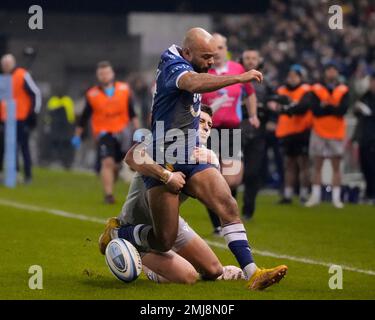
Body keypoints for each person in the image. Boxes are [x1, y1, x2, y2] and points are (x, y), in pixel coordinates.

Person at [100, 28, 287, 290]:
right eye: (207, 56)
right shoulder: (172, 65)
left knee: (227, 206)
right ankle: (120, 233)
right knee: (164, 241)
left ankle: (254, 273)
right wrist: (239, 78)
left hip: (187, 154)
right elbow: (192, 83)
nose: (212, 62)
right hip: (165, 158)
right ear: (188, 53)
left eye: (214, 55)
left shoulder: (203, 146)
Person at [103, 106, 244, 283]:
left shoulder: (205, 156)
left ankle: (170, 259)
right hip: (136, 223)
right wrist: (166, 175)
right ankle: (119, 236)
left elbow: (215, 197)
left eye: (210, 124)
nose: (207, 127)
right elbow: (131, 157)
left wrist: (214, 162)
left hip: (169, 223)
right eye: (201, 121)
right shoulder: (167, 140)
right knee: (188, 277)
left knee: (214, 271)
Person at [201, 34, 259, 233]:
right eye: (212, 48)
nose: (216, 52)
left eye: (219, 47)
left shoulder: (238, 69)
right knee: (211, 177)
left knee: (233, 178)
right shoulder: (203, 71)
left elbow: (250, 93)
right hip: (209, 131)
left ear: (225, 48)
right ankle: (219, 224)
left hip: (231, 130)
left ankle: (224, 210)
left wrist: (253, 115)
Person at [72, 61, 139, 204]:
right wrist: (77, 135)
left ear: (112, 74)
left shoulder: (124, 89)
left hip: (123, 132)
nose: (104, 76)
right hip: (104, 134)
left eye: (107, 73)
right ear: (98, 76)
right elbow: (84, 117)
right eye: (101, 74)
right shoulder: (92, 94)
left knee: (117, 165)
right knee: (107, 162)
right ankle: (109, 195)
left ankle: (115, 175)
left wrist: (138, 132)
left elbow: (132, 113)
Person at [305, 62, 349, 209]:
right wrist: (333, 107)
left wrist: (327, 106)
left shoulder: (343, 89)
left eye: (333, 70)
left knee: (336, 166)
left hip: (336, 131)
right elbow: (315, 110)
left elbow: (342, 110)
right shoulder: (316, 88)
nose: (331, 73)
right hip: (319, 130)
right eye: (329, 70)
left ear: (337, 72)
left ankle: (336, 198)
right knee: (317, 164)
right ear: (325, 73)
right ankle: (315, 196)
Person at [273, 65, 312, 204]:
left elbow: (303, 107)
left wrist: (287, 107)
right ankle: (288, 194)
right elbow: (275, 106)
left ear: (301, 77)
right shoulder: (282, 90)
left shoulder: (306, 89)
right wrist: (288, 108)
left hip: (302, 131)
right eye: (290, 75)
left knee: (303, 164)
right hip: (286, 132)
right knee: (289, 164)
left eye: (295, 75)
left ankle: (304, 194)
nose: (292, 78)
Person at [0, 53, 41, 184]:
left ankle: (27, 175)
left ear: (13, 63)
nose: (6, 66)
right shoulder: (2, 78)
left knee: (23, 146)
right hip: (6, 118)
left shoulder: (22, 74)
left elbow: (36, 93)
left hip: (21, 117)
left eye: (8, 63)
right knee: (6, 147)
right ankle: (12, 172)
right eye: (4, 64)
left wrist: (33, 114)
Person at [239, 49, 270, 219]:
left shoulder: (267, 82)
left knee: (252, 172)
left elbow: (274, 100)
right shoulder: (233, 78)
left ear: (259, 61)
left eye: (253, 58)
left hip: (257, 133)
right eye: (247, 58)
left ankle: (248, 210)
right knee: (231, 173)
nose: (251, 61)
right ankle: (229, 209)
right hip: (235, 130)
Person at [353, 72, 375, 204]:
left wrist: (370, 112)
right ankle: (369, 192)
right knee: (365, 166)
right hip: (364, 136)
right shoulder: (365, 96)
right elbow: (356, 113)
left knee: (373, 167)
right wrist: (359, 109)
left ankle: (373, 193)